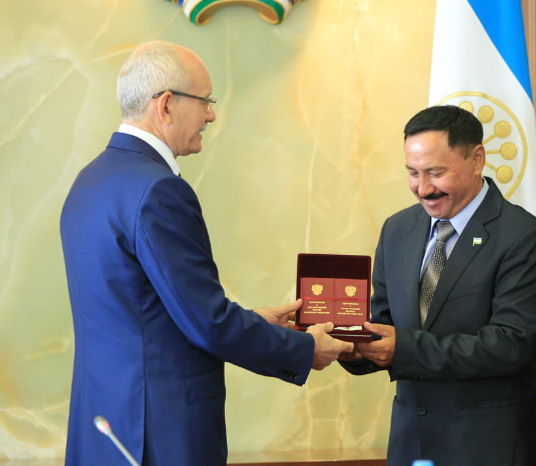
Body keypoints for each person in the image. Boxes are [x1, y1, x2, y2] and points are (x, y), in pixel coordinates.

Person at [60, 41, 353, 466]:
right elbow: (208, 323)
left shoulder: (89, 181)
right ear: (166, 105)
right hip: (159, 432)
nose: (211, 115)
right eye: (206, 101)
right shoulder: (159, 190)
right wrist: (304, 350)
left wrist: (254, 322)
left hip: (105, 424)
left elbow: (146, 313)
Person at [340, 105, 536, 466]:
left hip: (487, 447)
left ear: (477, 159)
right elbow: (386, 323)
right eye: (413, 173)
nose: (423, 188)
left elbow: (509, 345)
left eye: (436, 172)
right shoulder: (397, 229)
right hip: (411, 443)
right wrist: (355, 348)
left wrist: (402, 348)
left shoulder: (522, 236)